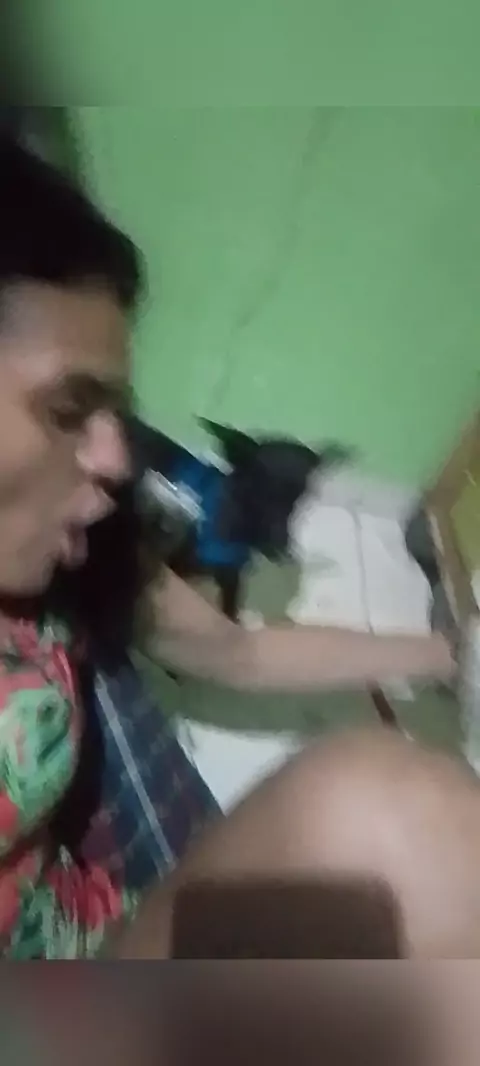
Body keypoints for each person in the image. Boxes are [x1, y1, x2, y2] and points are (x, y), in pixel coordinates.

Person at [0, 136, 477, 960]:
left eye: (113, 411)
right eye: (68, 409)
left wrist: (450, 652)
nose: (116, 457)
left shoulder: (71, 547)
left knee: (411, 837)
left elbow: (234, 653)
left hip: (85, 901)